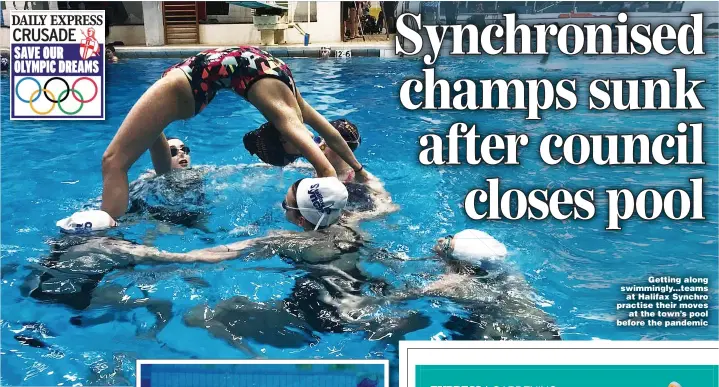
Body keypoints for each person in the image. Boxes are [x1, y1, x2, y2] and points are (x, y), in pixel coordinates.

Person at [83, 46, 367, 230]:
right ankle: (115, 226)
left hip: (189, 83)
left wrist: (354, 175)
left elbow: (329, 141)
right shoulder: (288, 115)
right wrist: (353, 178)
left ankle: (106, 233)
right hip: (188, 84)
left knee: (117, 160)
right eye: (296, 154)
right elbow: (326, 165)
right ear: (282, 140)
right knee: (119, 158)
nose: (305, 148)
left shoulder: (290, 108)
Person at [245, 118, 362, 182]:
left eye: (327, 144)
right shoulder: (316, 165)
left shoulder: (354, 181)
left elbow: (379, 210)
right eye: (320, 139)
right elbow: (292, 165)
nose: (319, 145)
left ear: (342, 150)